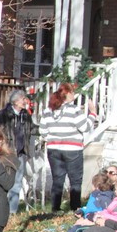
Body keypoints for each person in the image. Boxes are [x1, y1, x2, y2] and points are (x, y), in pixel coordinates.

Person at [39, 82, 97, 212]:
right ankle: (75, 208)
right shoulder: (74, 109)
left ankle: (55, 208)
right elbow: (85, 127)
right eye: (72, 93)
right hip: (72, 149)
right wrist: (92, 113)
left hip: (54, 149)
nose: (74, 95)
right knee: (75, 180)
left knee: (57, 179)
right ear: (68, 94)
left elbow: (43, 131)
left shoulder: (48, 111)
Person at [0, 89, 37, 214]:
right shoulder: (4, 114)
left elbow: (33, 129)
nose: (25, 101)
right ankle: (0, 209)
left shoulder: (25, 115)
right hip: (8, 153)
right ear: (15, 101)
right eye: (23, 99)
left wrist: (47, 129)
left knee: (17, 182)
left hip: (20, 154)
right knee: (4, 181)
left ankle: (12, 211)